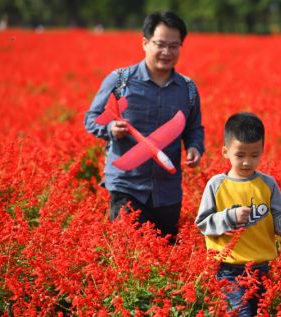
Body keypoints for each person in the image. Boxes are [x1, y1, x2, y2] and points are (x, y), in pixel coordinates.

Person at [85, 11, 204, 239]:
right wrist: (110, 129)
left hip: (167, 191)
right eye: (160, 44)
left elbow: (194, 128)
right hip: (126, 186)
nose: (166, 52)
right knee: (128, 255)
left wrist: (195, 147)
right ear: (145, 43)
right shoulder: (121, 81)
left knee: (164, 257)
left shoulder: (187, 89)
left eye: (174, 46)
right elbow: (92, 119)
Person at [195, 112, 281, 316]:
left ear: (262, 151)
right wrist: (230, 217)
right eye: (240, 155)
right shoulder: (217, 185)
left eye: (254, 155)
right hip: (229, 268)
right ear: (225, 152)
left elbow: (278, 223)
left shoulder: (267, 184)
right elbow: (203, 224)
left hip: (261, 267)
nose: (247, 162)